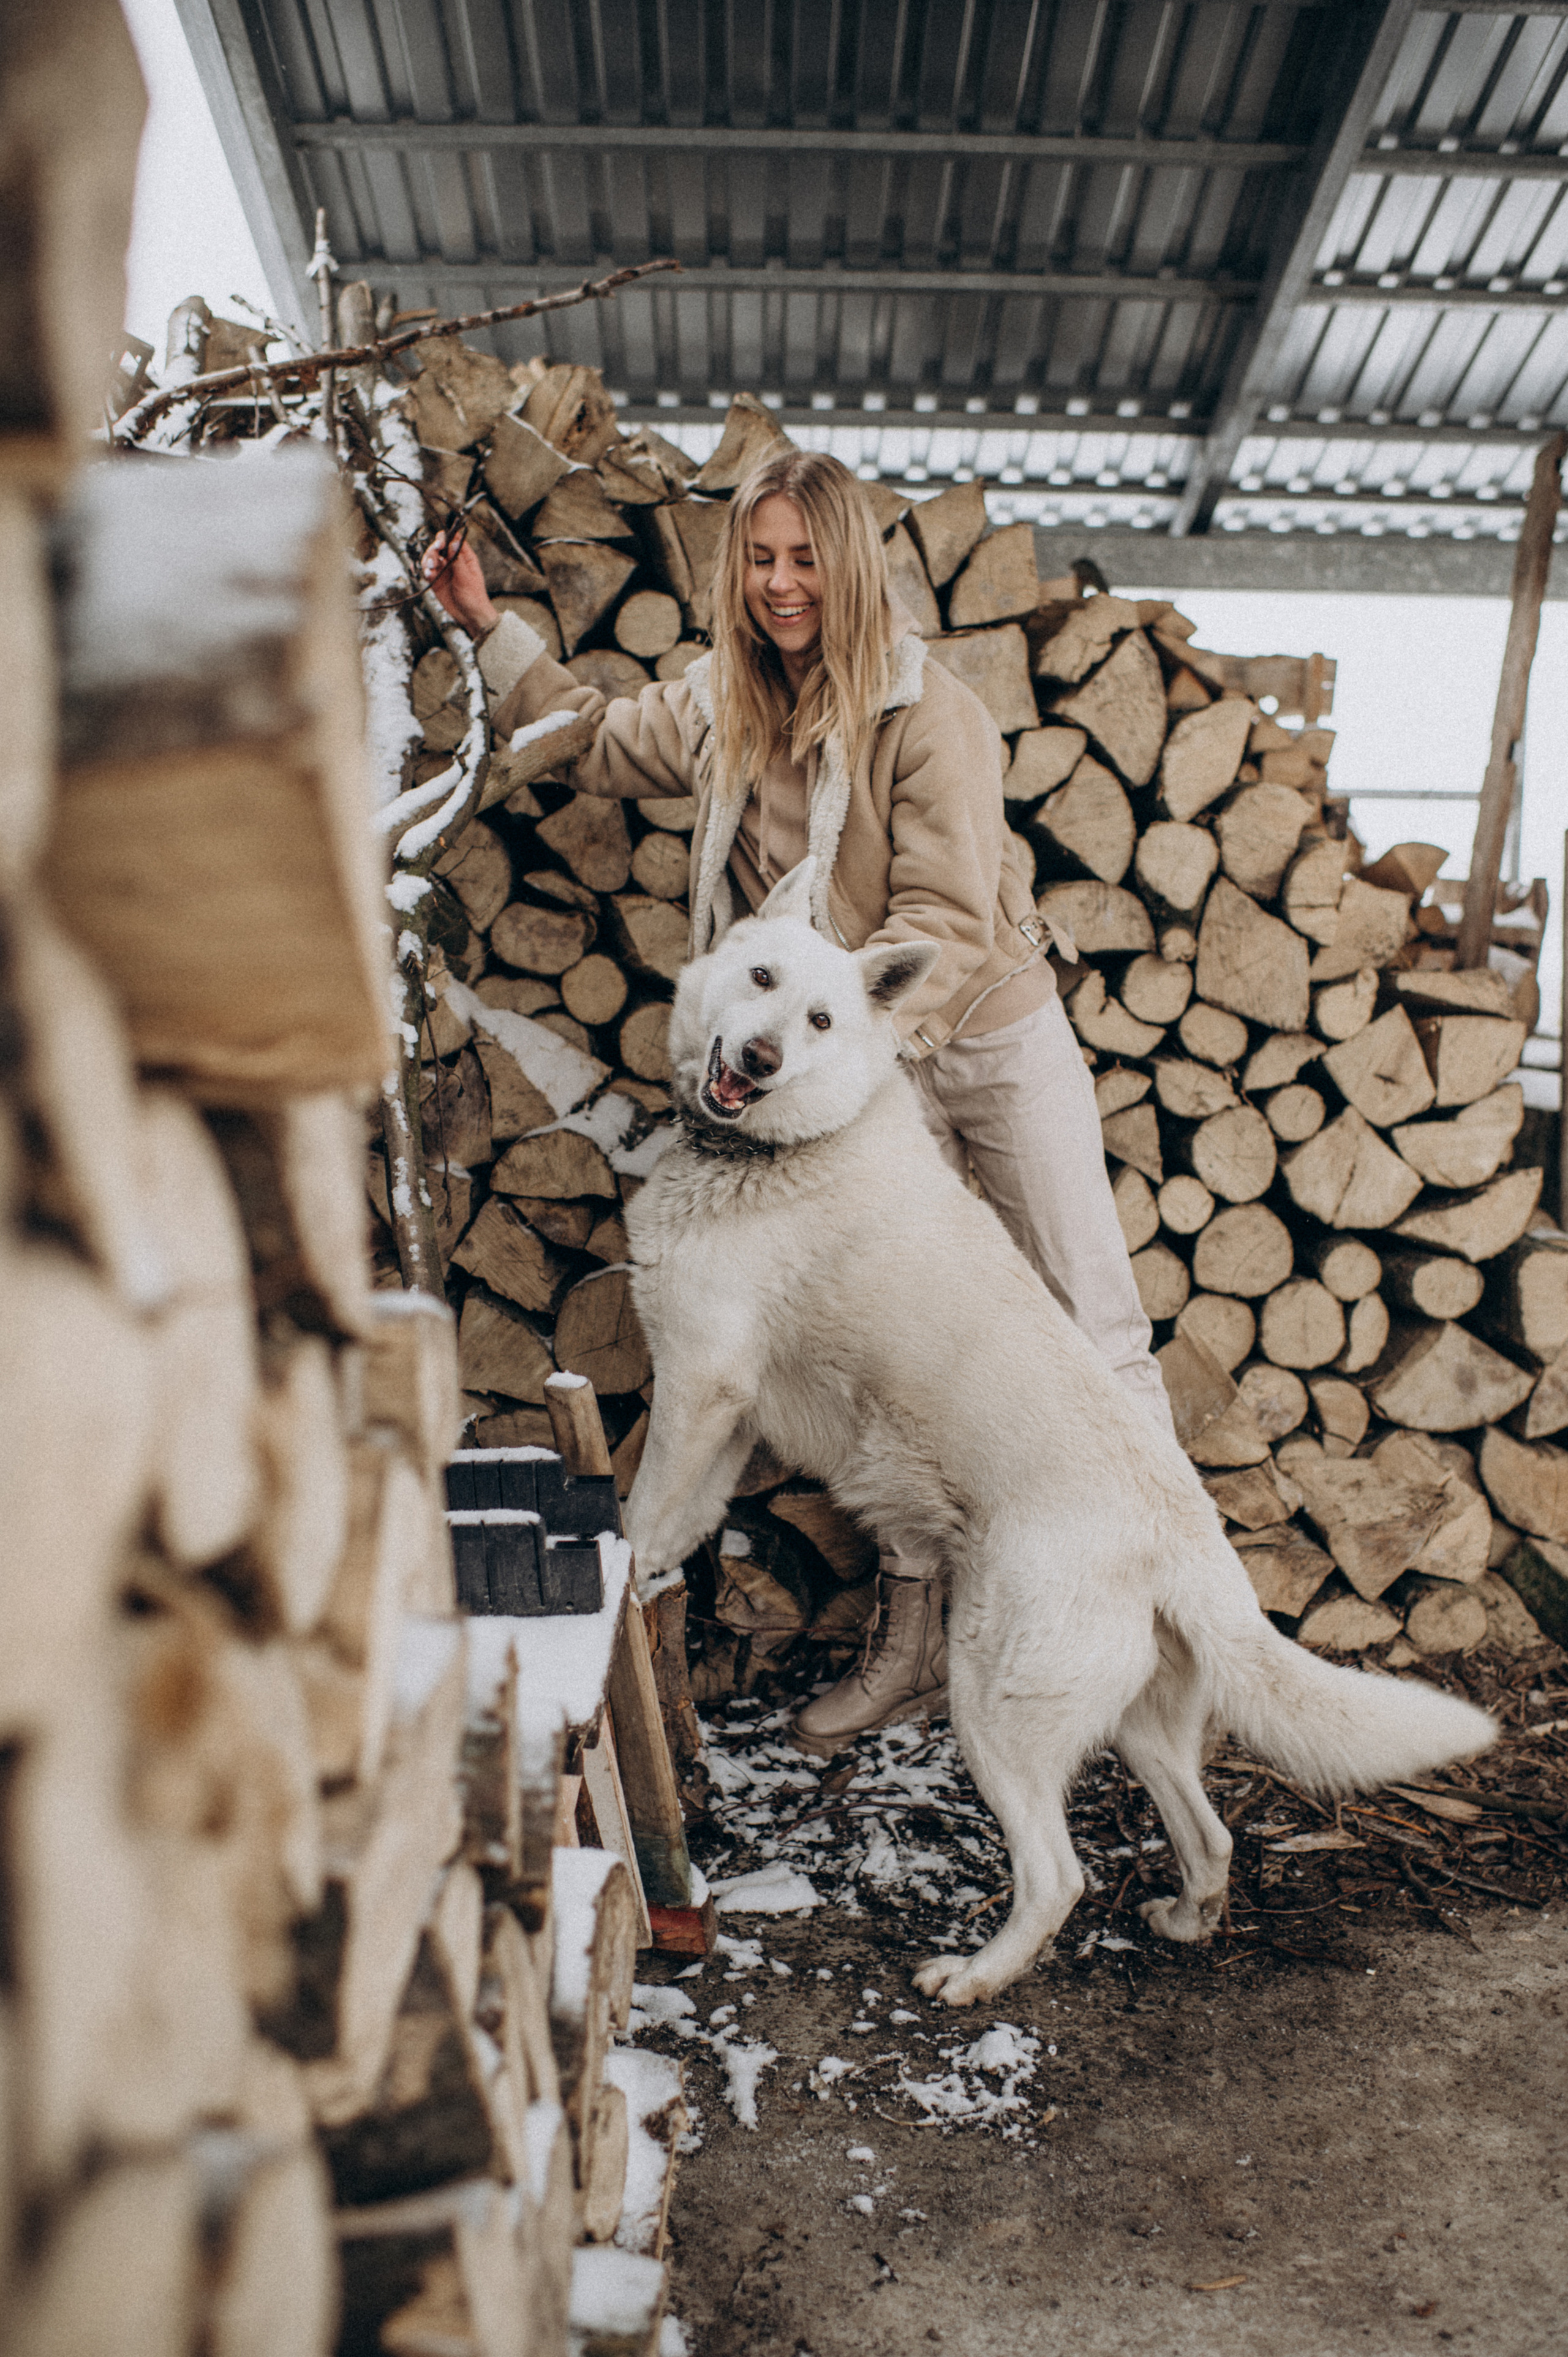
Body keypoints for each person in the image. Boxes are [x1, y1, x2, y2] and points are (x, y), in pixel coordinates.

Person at [424, 450, 1172, 1754]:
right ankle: (914, 1648)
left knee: (1090, 1322)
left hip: (974, 1039)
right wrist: (491, 632)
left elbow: (941, 920)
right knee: (894, 1368)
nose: (781, 583)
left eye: (803, 556)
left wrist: (846, 1063)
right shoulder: (726, 704)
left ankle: (1169, 1646)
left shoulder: (926, 714)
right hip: (831, 1079)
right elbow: (596, 741)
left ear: (850, 561)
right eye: (759, 558)